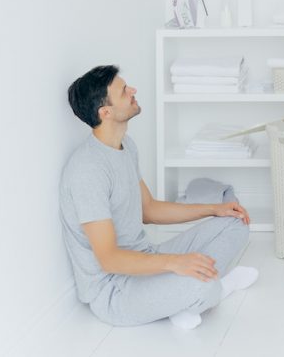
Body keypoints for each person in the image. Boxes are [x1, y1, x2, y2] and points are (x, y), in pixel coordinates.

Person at [60, 65, 259, 328]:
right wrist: (175, 263)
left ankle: (181, 299)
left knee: (236, 223)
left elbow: (149, 209)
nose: (133, 91)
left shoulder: (125, 146)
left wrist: (214, 209)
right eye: (123, 91)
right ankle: (215, 287)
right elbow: (109, 259)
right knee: (204, 285)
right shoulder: (88, 169)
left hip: (146, 256)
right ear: (105, 112)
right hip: (115, 290)